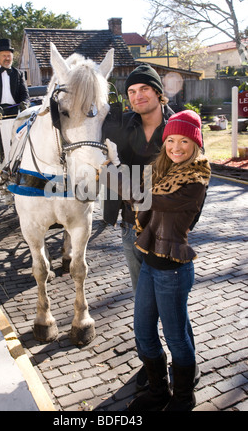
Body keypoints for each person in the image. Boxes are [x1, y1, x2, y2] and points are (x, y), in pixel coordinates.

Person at [127, 110, 211, 412]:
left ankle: (184, 397)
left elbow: (153, 199)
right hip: (150, 264)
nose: (176, 147)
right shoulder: (159, 172)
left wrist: (118, 182)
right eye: (171, 140)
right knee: (144, 332)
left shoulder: (196, 178)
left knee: (176, 339)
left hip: (174, 271)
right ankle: (159, 391)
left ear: (196, 144)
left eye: (185, 140)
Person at [103, 64, 174, 389]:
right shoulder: (125, 125)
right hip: (131, 229)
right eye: (131, 91)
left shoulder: (177, 128)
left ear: (158, 92)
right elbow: (90, 131)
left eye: (144, 89)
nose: (137, 96)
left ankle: (184, 367)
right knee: (142, 304)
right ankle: (152, 364)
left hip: (167, 232)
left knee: (172, 309)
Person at [0, 38, 30, 161]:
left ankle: (25, 156)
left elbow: (25, 94)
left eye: (9, 56)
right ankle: (5, 157)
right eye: (4, 56)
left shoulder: (18, 74)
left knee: (30, 121)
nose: (7, 58)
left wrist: (25, 104)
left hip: (15, 109)